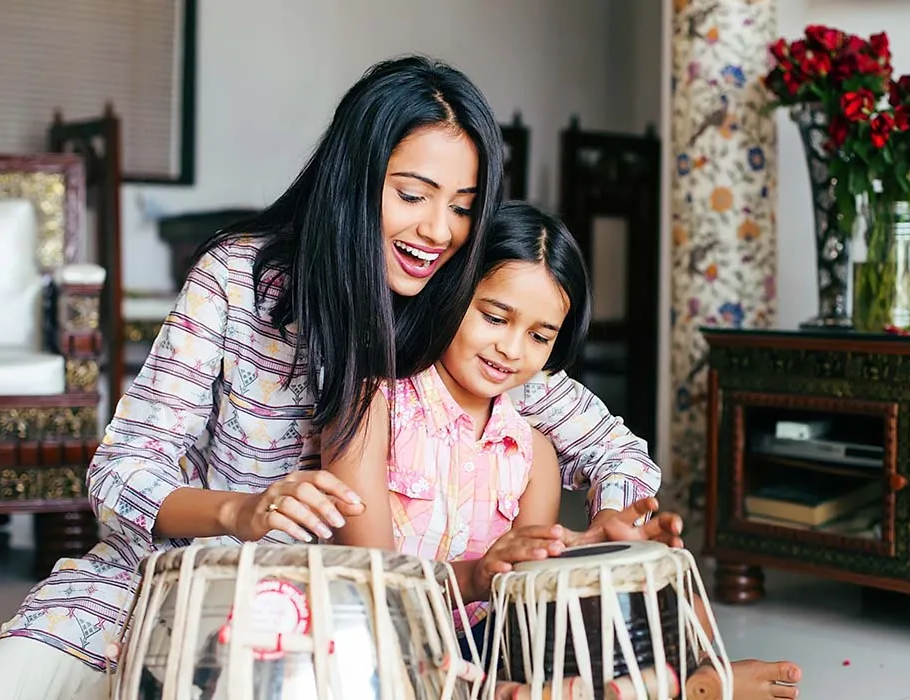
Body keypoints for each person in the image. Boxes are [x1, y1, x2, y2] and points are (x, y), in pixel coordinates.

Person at [0, 55, 676, 700]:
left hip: (332, 637)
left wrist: (615, 516)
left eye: (463, 206)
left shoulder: (456, 318)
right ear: (356, 177)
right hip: (151, 592)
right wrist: (237, 512)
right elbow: (120, 473)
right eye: (413, 194)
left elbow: (612, 449)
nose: (439, 231)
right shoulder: (238, 281)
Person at [328, 202, 801, 700]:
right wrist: (476, 576)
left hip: (490, 644)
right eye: (494, 317)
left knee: (653, 576)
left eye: (538, 336)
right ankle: (659, 688)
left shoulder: (532, 453)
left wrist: (595, 545)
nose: (511, 349)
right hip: (381, 645)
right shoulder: (368, 405)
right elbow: (373, 584)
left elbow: (528, 596)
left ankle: (694, 674)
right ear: (449, 291)